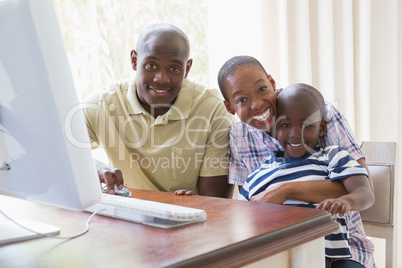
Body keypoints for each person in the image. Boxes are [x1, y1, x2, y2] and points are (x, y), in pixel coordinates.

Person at [217, 55, 375, 267]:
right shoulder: (239, 137)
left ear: (272, 83)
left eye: (262, 89)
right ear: (229, 107)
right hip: (278, 250)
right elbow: (252, 208)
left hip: (342, 249)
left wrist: (287, 189)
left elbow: (364, 188)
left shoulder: (319, 113)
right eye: (242, 100)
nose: (256, 104)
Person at [82, 23, 234, 198]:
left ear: (188, 68)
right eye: (151, 65)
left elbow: (215, 204)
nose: (161, 78)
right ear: (134, 60)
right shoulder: (102, 104)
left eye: (174, 68)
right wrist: (94, 166)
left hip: (186, 220)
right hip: (127, 217)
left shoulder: (213, 108)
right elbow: (56, 155)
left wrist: (191, 206)